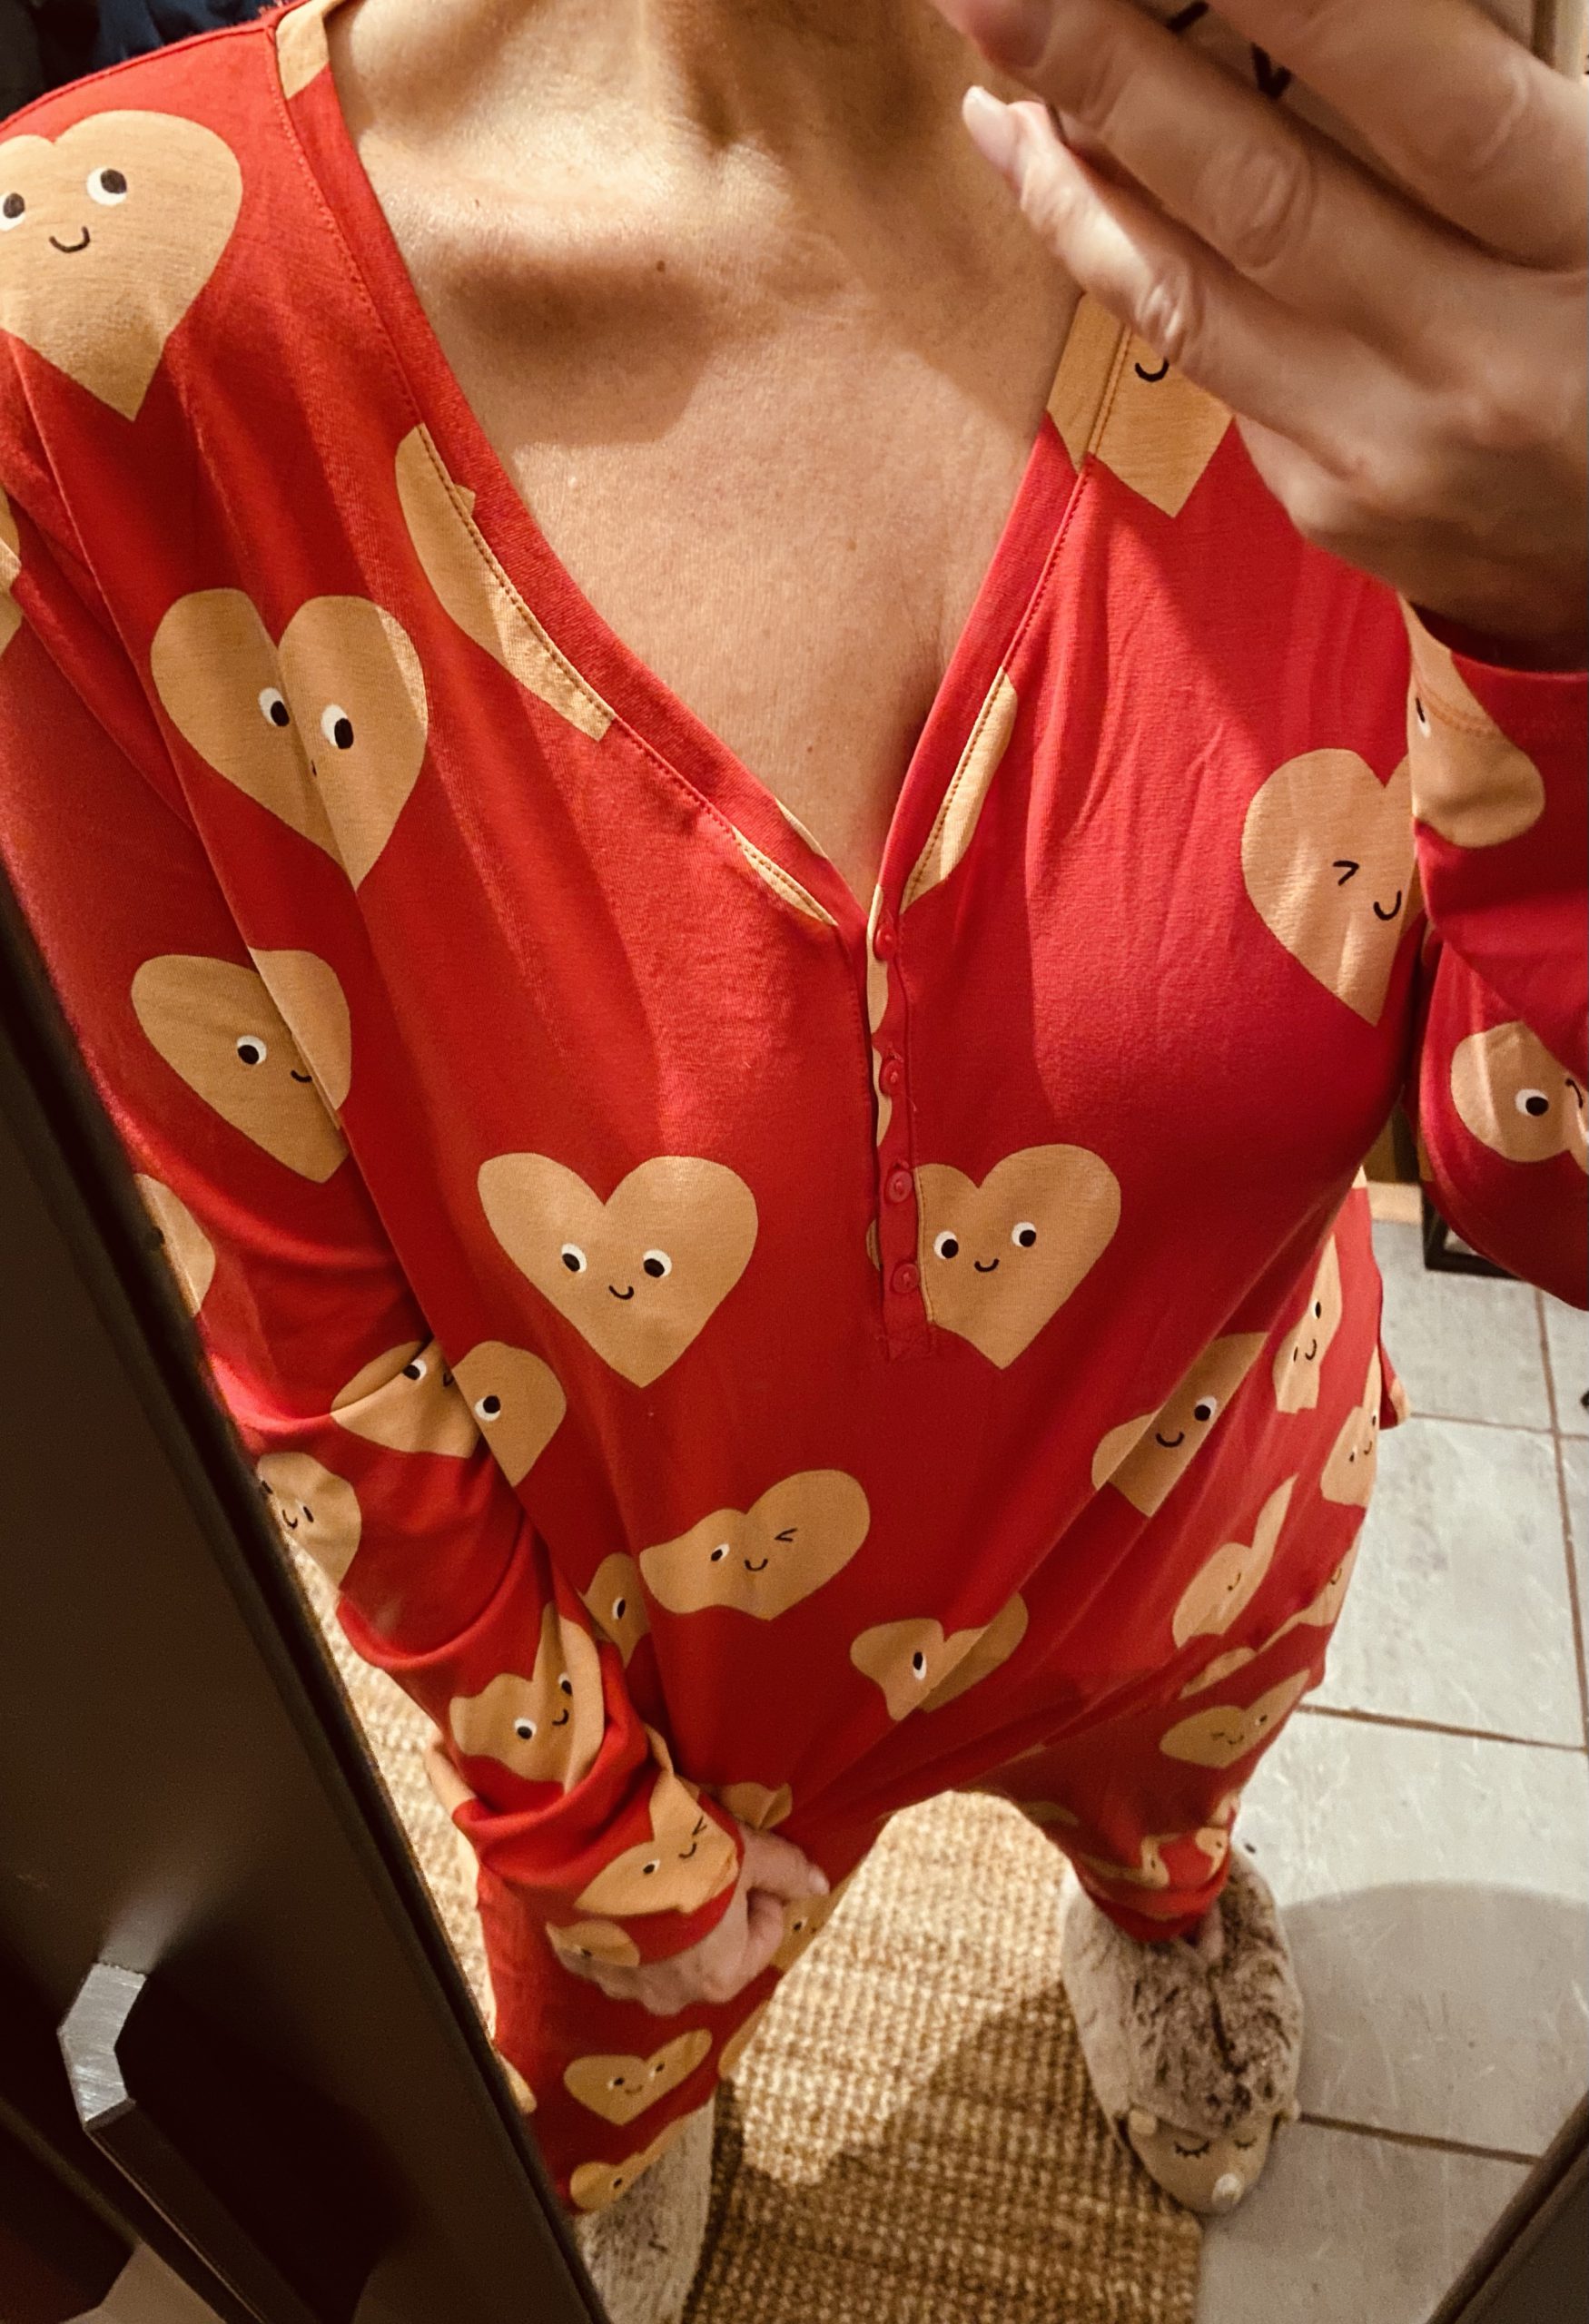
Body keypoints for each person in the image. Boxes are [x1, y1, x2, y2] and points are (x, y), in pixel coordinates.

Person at [0, 0, 1583, 2311]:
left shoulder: (1398, 242)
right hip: (663, 1664)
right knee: (606, 2053)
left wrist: (1560, 628)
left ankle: (1156, 1891)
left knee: (1166, 1813)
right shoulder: (108, 328)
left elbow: (1536, 1175)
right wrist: (573, 1819)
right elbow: (285, 1302)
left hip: (1201, 1526)